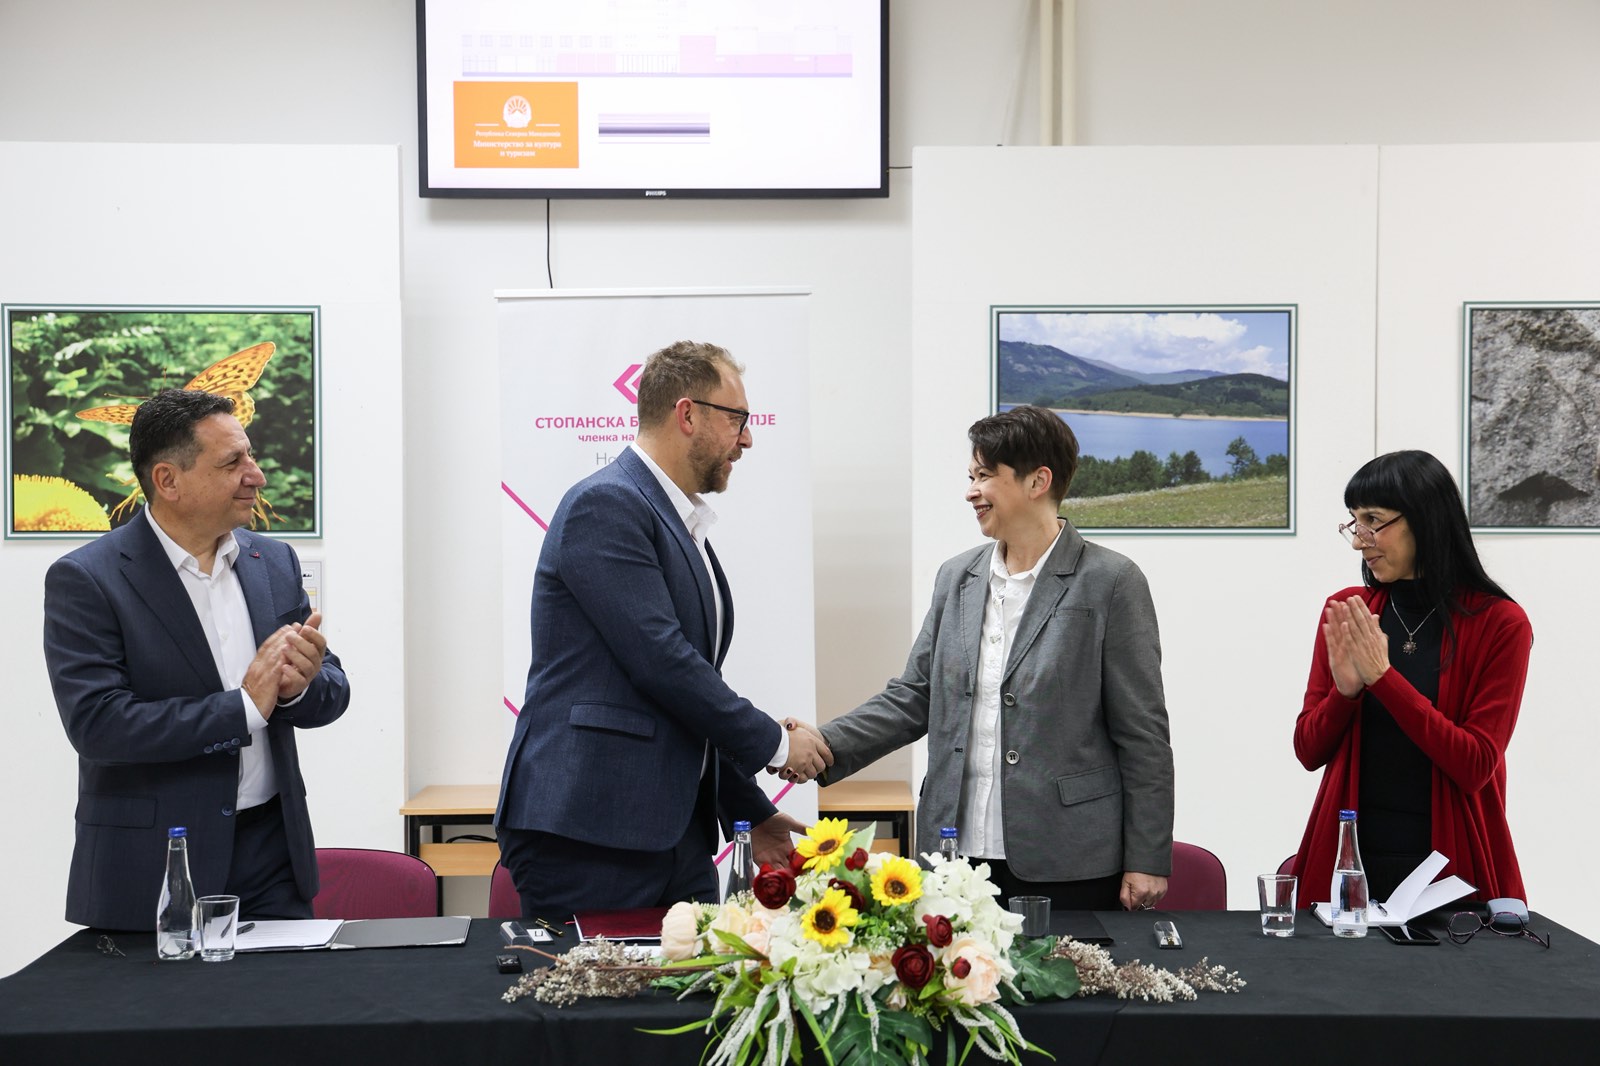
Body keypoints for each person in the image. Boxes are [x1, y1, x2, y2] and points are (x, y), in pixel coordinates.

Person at [496, 340, 831, 918]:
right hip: (591, 830)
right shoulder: (607, 504)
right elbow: (662, 661)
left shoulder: (674, 519)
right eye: (738, 419)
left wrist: (750, 810)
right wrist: (776, 744)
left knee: (697, 979)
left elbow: (684, 693)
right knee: (596, 984)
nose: (747, 439)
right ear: (688, 414)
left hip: (672, 834)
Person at [818, 405, 1174, 912]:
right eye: (970, 477)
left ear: (1038, 481)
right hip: (953, 855)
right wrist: (824, 744)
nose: (971, 491)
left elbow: (1143, 734)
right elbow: (914, 696)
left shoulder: (1112, 581)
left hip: (1069, 859)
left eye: (984, 476)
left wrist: (1147, 856)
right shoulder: (956, 577)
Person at [43, 388, 350, 930]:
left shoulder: (273, 561)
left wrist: (301, 686)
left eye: (250, 456)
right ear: (168, 480)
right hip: (154, 867)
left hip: (273, 858)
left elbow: (331, 685)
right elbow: (99, 726)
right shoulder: (88, 579)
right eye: (233, 463)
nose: (256, 476)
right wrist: (243, 708)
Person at [1291, 450, 1532, 904]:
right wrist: (1345, 694)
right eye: (1354, 522)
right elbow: (1308, 750)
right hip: (1351, 862)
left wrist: (1384, 679)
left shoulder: (1501, 623)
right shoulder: (1350, 611)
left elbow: (1476, 765)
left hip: (1453, 870)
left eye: (1373, 521)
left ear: (1425, 519)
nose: (1359, 541)